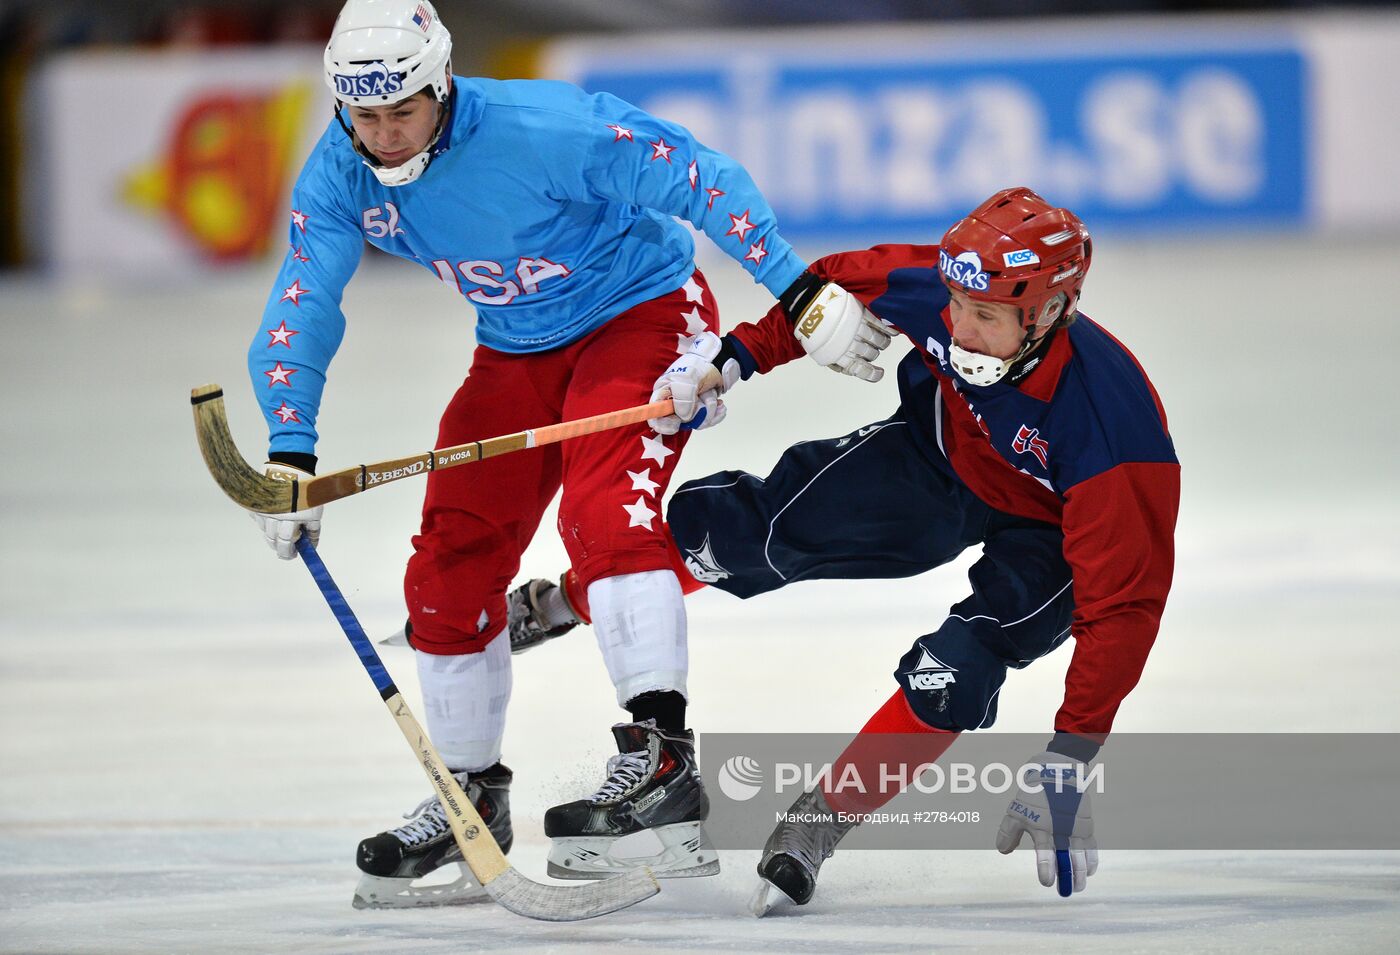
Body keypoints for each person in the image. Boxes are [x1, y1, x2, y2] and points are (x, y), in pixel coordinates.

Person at [242, 0, 882, 909]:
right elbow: (305, 298)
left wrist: (798, 287)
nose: (382, 138)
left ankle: (663, 765)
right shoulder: (341, 169)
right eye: (364, 116)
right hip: (515, 345)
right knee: (449, 555)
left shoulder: (545, 128)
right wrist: (290, 446)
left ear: (442, 84)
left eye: (402, 113)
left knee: (603, 515)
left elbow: (695, 172)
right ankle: (472, 799)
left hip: (643, 312)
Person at [512, 187, 1180, 912]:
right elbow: (828, 287)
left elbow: (1124, 609)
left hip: (1051, 537)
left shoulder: (1116, 435)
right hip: (939, 461)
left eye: (986, 317)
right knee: (733, 534)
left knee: (953, 675)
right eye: (956, 304)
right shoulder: (947, 288)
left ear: (1052, 311)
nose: (958, 327)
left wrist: (1071, 758)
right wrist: (735, 356)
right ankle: (565, 600)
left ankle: (816, 824)